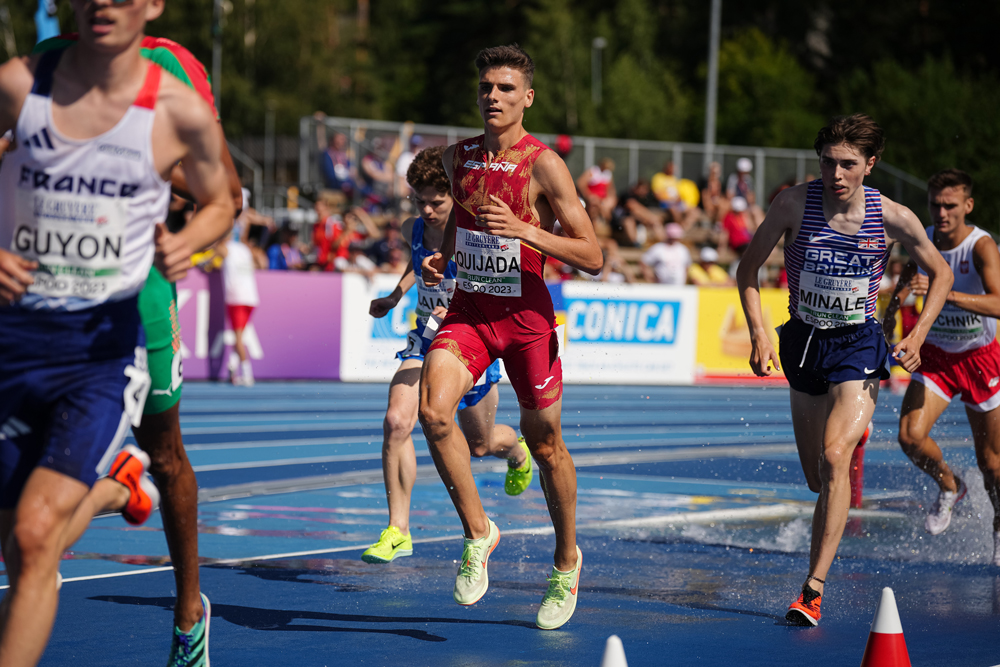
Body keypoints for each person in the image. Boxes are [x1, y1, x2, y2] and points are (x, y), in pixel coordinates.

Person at [0, 1, 235, 664]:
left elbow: (221, 188)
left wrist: (179, 226)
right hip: (18, 322)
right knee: (23, 542)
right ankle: (115, 485)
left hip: (128, 305)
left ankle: (188, 611)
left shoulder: (173, 74)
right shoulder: (30, 73)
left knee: (164, 452)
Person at [737, 113, 952, 627]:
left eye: (848, 165)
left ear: (870, 165)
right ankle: (849, 424)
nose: (836, 174)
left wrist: (917, 335)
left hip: (858, 344)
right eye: (828, 162)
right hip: (804, 343)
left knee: (837, 457)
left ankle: (812, 589)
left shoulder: (893, 216)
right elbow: (747, 269)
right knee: (817, 476)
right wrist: (760, 332)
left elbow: (940, 273)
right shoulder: (792, 204)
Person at [419, 44, 602, 630]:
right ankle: (479, 533)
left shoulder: (545, 164)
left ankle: (566, 561)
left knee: (545, 446)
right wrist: (444, 256)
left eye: (505, 89)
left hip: (526, 321)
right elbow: (460, 216)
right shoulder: (457, 156)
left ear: (527, 97)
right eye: (486, 88)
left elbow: (592, 255)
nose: (492, 97)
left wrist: (527, 230)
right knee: (433, 413)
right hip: (470, 312)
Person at [364, 146, 531, 565]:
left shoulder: (476, 236)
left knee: (481, 444)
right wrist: (395, 296)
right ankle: (398, 530)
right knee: (396, 421)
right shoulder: (414, 228)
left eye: (436, 202)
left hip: (469, 343)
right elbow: (415, 262)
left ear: (454, 198)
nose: (426, 210)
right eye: (419, 201)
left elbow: (500, 288)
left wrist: (456, 307)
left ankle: (517, 452)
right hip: (425, 339)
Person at [883, 169, 1000, 565]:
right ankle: (950, 485)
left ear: (968, 205)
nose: (942, 213)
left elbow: (999, 303)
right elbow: (907, 278)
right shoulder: (925, 237)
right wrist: (891, 312)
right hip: (936, 356)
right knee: (909, 437)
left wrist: (945, 292)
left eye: (950, 205)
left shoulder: (980, 246)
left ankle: (999, 525)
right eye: (935, 205)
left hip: (978, 357)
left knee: (992, 464)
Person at [221, 191, 261, 387]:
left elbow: (213, 245)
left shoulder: (228, 248)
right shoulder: (245, 250)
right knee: (241, 335)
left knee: (238, 337)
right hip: (251, 299)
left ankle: (247, 373)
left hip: (236, 298)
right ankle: (233, 363)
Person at [577, 157, 617, 225]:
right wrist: (589, 195)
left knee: (605, 207)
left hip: (602, 199)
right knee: (594, 207)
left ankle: (606, 224)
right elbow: (580, 184)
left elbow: (611, 190)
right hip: (592, 197)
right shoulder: (593, 171)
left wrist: (612, 199)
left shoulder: (608, 174)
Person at [319, 131, 355, 196]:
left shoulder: (345, 154)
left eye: (343, 139)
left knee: (361, 188)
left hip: (347, 182)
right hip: (335, 183)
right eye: (339, 139)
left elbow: (351, 170)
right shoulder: (328, 153)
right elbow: (330, 174)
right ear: (333, 140)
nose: (341, 142)